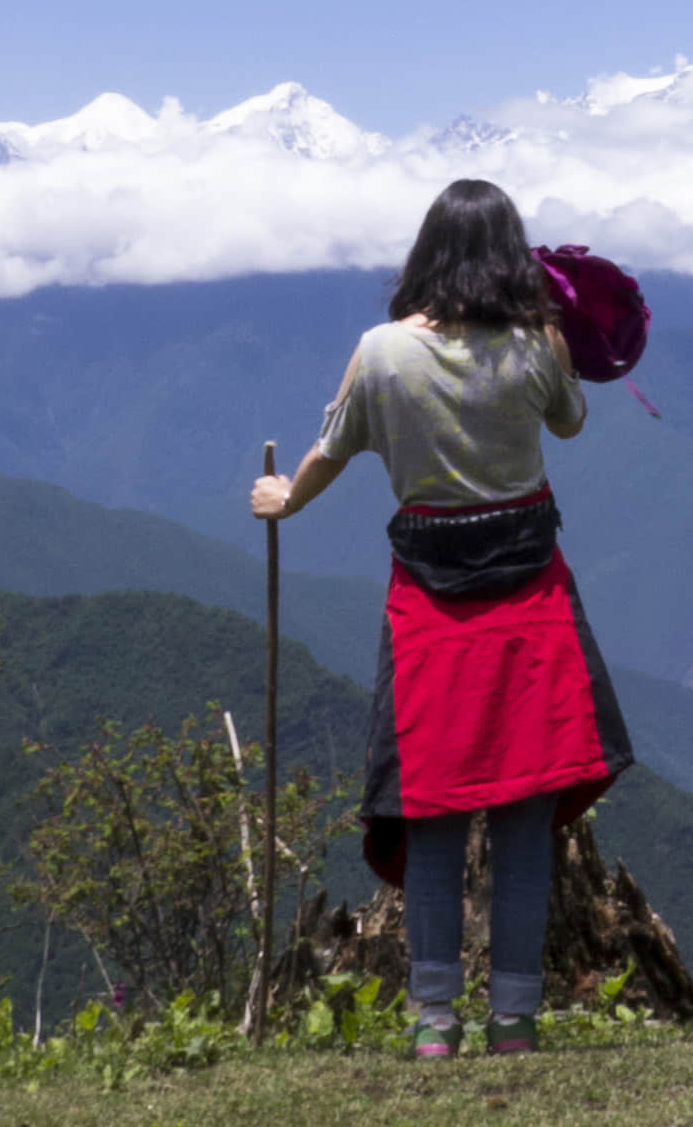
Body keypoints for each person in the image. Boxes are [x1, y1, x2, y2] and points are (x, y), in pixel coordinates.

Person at [252, 178, 632, 1058]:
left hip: (426, 596)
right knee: (524, 810)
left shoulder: (380, 352)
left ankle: (432, 1024)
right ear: (511, 255)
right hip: (529, 589)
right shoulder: (536, 345)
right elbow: (570, 425)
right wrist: (556, 327)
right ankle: (515, 1020)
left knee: (432, 806)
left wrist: (284, 501)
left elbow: (331, 447)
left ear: (424, 252)